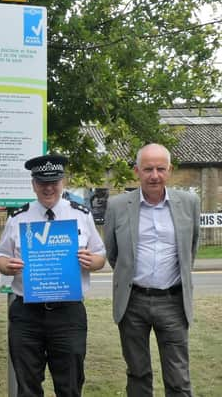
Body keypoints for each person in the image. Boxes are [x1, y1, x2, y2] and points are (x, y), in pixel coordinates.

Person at [0, 154, 106, 397]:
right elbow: (0, 257)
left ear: (63, 182)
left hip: (68, 313)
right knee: (28, 385)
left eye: (54, 182)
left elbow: (100, 256)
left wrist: (91, 261)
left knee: (70, 384)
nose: (48, 188)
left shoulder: (81, 215)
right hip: (26, 313)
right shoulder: (17, 218)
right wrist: (7, 266)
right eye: (42, 182)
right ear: (33, 184)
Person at [104, 143, 200, 396]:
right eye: (148, 169)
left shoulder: (189, 202)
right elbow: (113, 254)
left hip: (173, 302)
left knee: (178, 377)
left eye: (160, 168)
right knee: (138, 373)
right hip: (132, 302)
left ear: (169, 170)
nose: (154, 175)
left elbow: (191, 248)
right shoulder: (117, 206)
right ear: (137, 171)